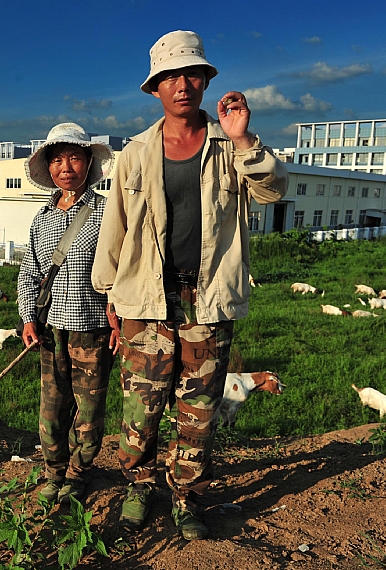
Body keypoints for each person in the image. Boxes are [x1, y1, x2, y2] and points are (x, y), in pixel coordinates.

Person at [91, 30, 288, 539]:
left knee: (198, 411)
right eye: (170, 77)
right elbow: (115, 227)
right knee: (142, 406)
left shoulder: (230, 146)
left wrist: (243, 137)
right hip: (144, 301)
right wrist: (109, 293)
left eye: (192, 74)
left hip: (208, 301)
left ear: (204, 81)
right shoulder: (134, 154)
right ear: (155, 88)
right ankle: (139, 486)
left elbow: (271, 191)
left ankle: (186, 499)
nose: (183, 84)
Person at [17, 122, 118, 505]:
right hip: (51, 331)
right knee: (51, 412)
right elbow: (30, 272)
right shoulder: (41, 218)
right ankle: (53, 474)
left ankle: (78, 474)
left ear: (88, 163)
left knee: (89, 415)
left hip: (93, 331)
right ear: (48, 167)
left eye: (74, 157)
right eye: (57, 159)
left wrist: (118, 316)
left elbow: (123, 268)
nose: (65, 167)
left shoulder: (107, 212)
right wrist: (28, 317)